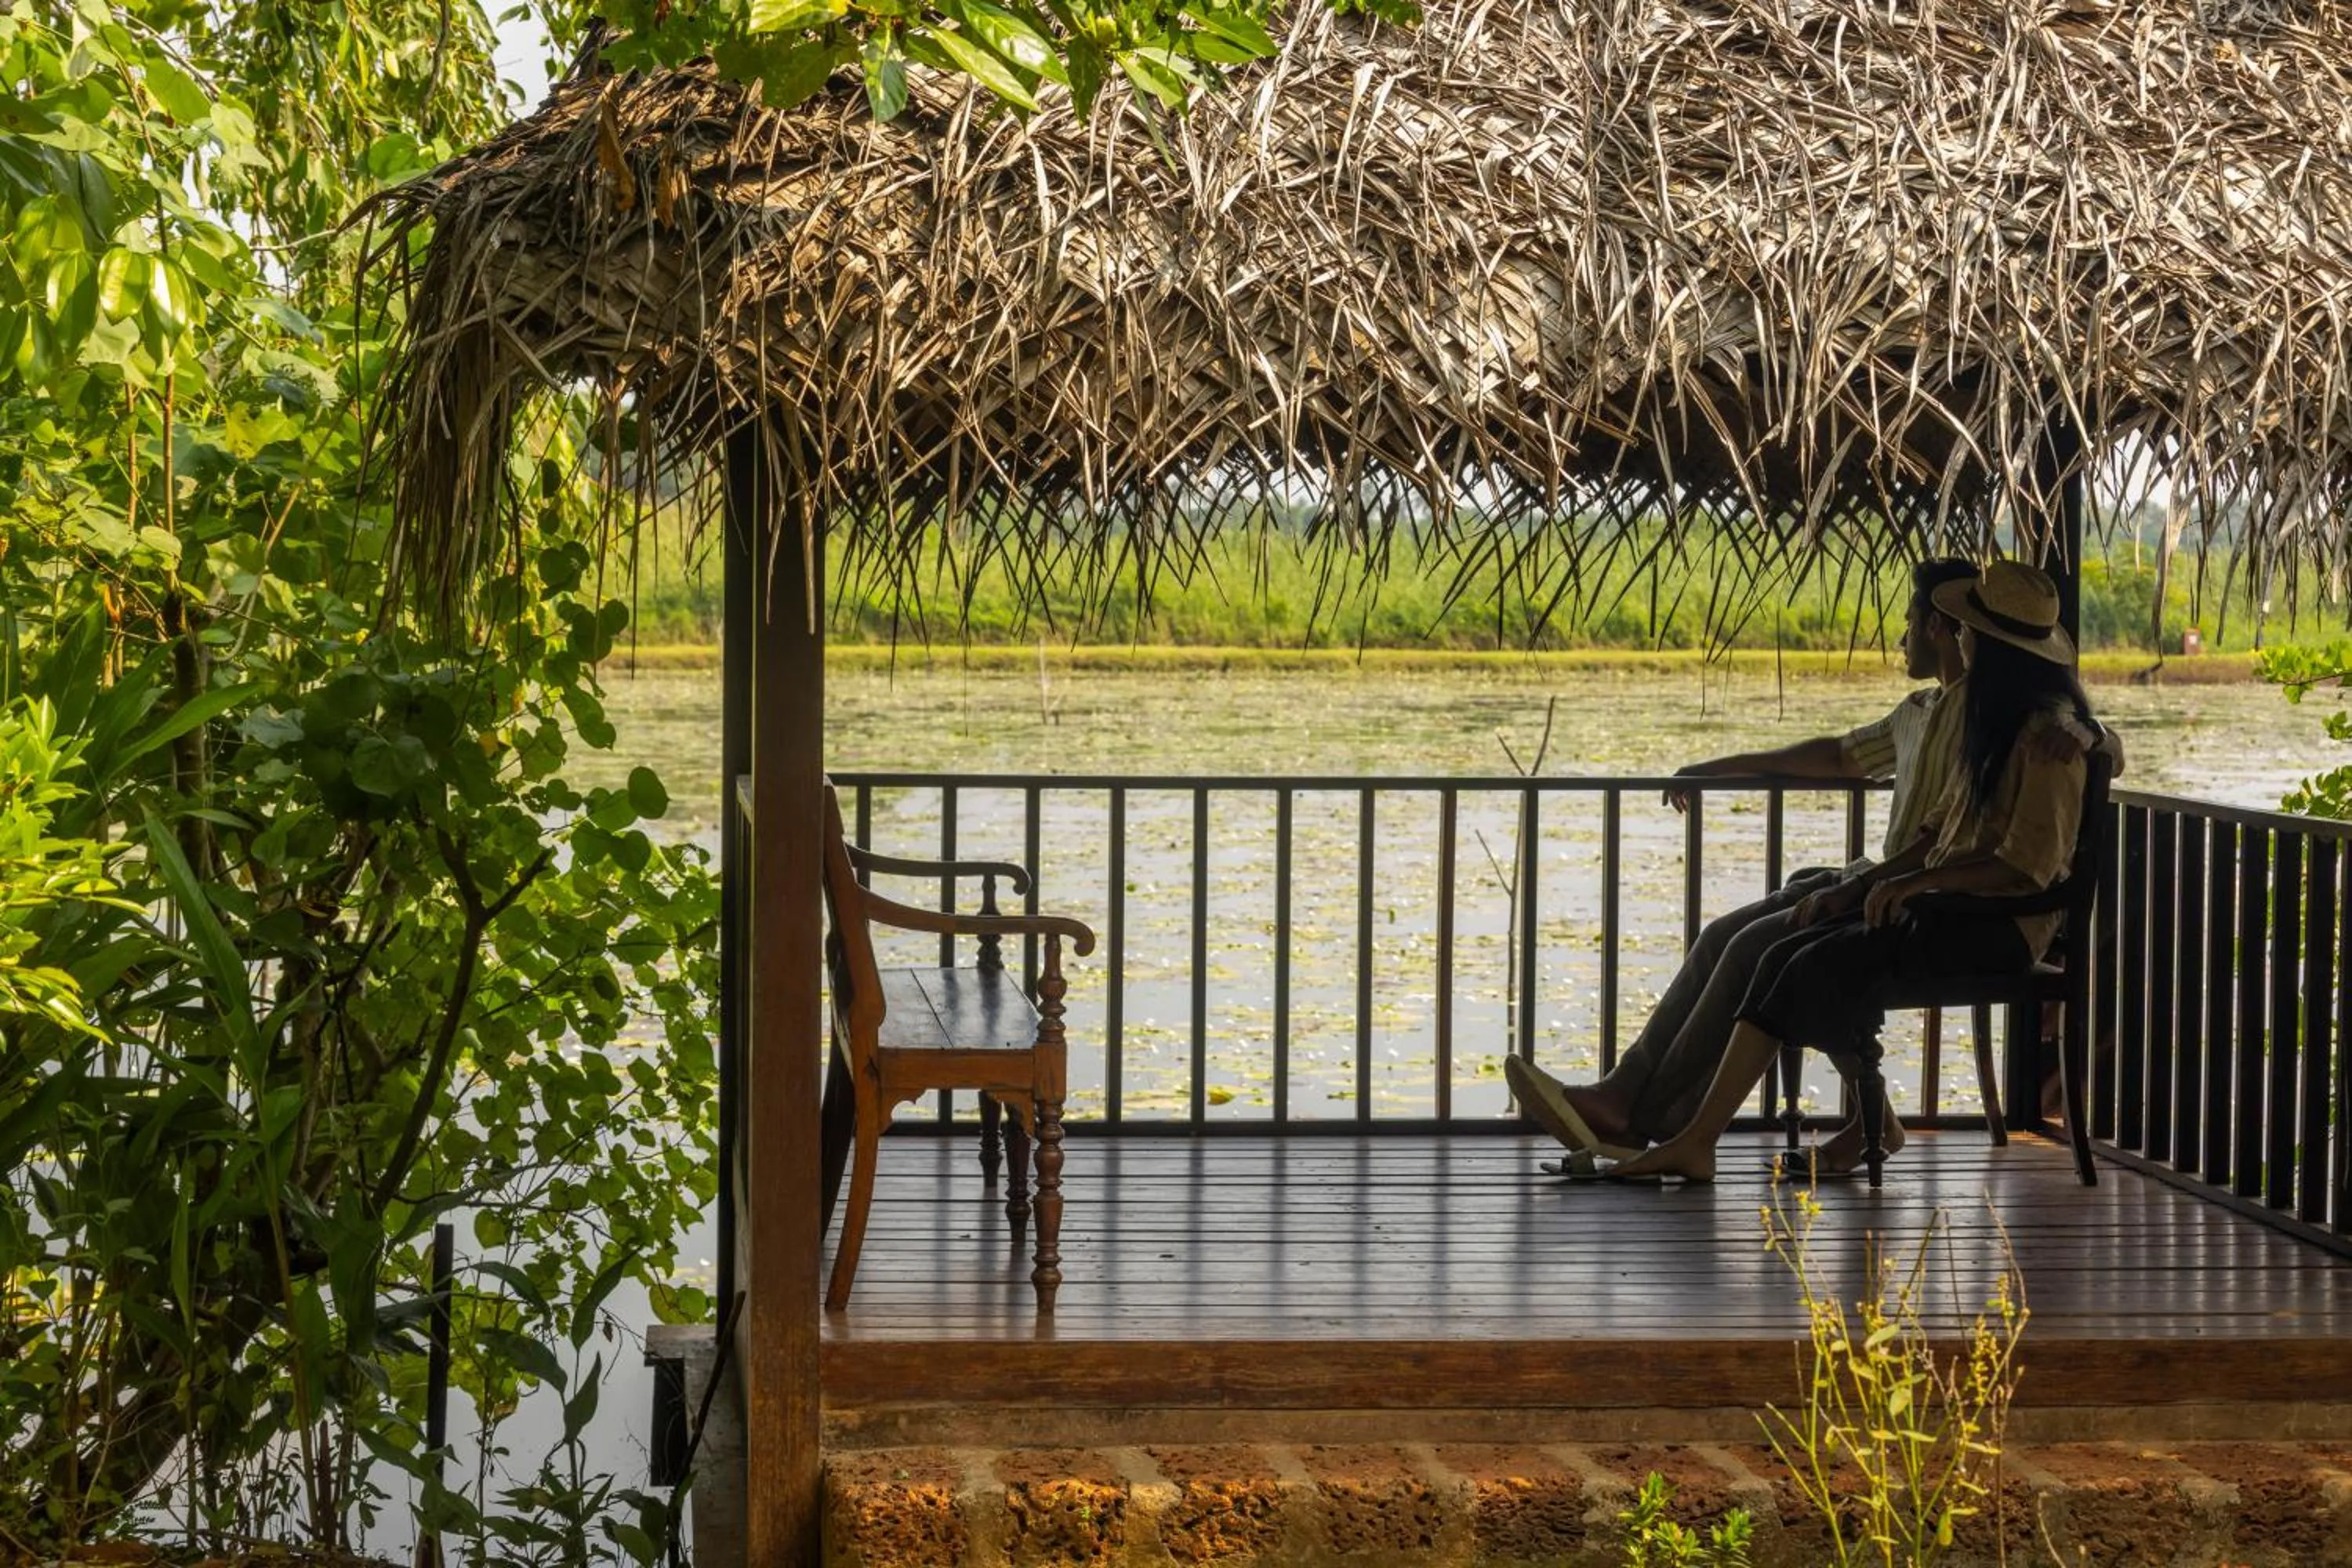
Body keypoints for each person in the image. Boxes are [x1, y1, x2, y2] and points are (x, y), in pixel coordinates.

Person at [1604, 561, 2099, 1183]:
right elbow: (1931, 829)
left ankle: (1671, 1126)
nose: (1957, 639)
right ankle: (1673, 1124)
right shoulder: (1982, 726)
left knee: (1789, 956)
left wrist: (2091, 731)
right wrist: (1878, 882)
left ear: (1981, 643)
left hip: (1985, 924)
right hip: (1932, 903)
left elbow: (2024, 865)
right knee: (1769, 948)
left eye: (1966, 631)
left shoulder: (2048, 737)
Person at [1506, 557, 1980, 1170]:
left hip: (1912, 898)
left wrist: (2093, 738)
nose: (1900, 638)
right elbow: (1838, 756)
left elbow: (2076, 733)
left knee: (1751, 949)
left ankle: (1644, 1119)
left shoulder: (1992, 715)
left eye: (1909, 622)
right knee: (1720, 938)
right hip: (1873, 885)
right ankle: (1624, 1095)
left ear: (1937, 626)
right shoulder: (1918, 710)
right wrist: (1716, 767)